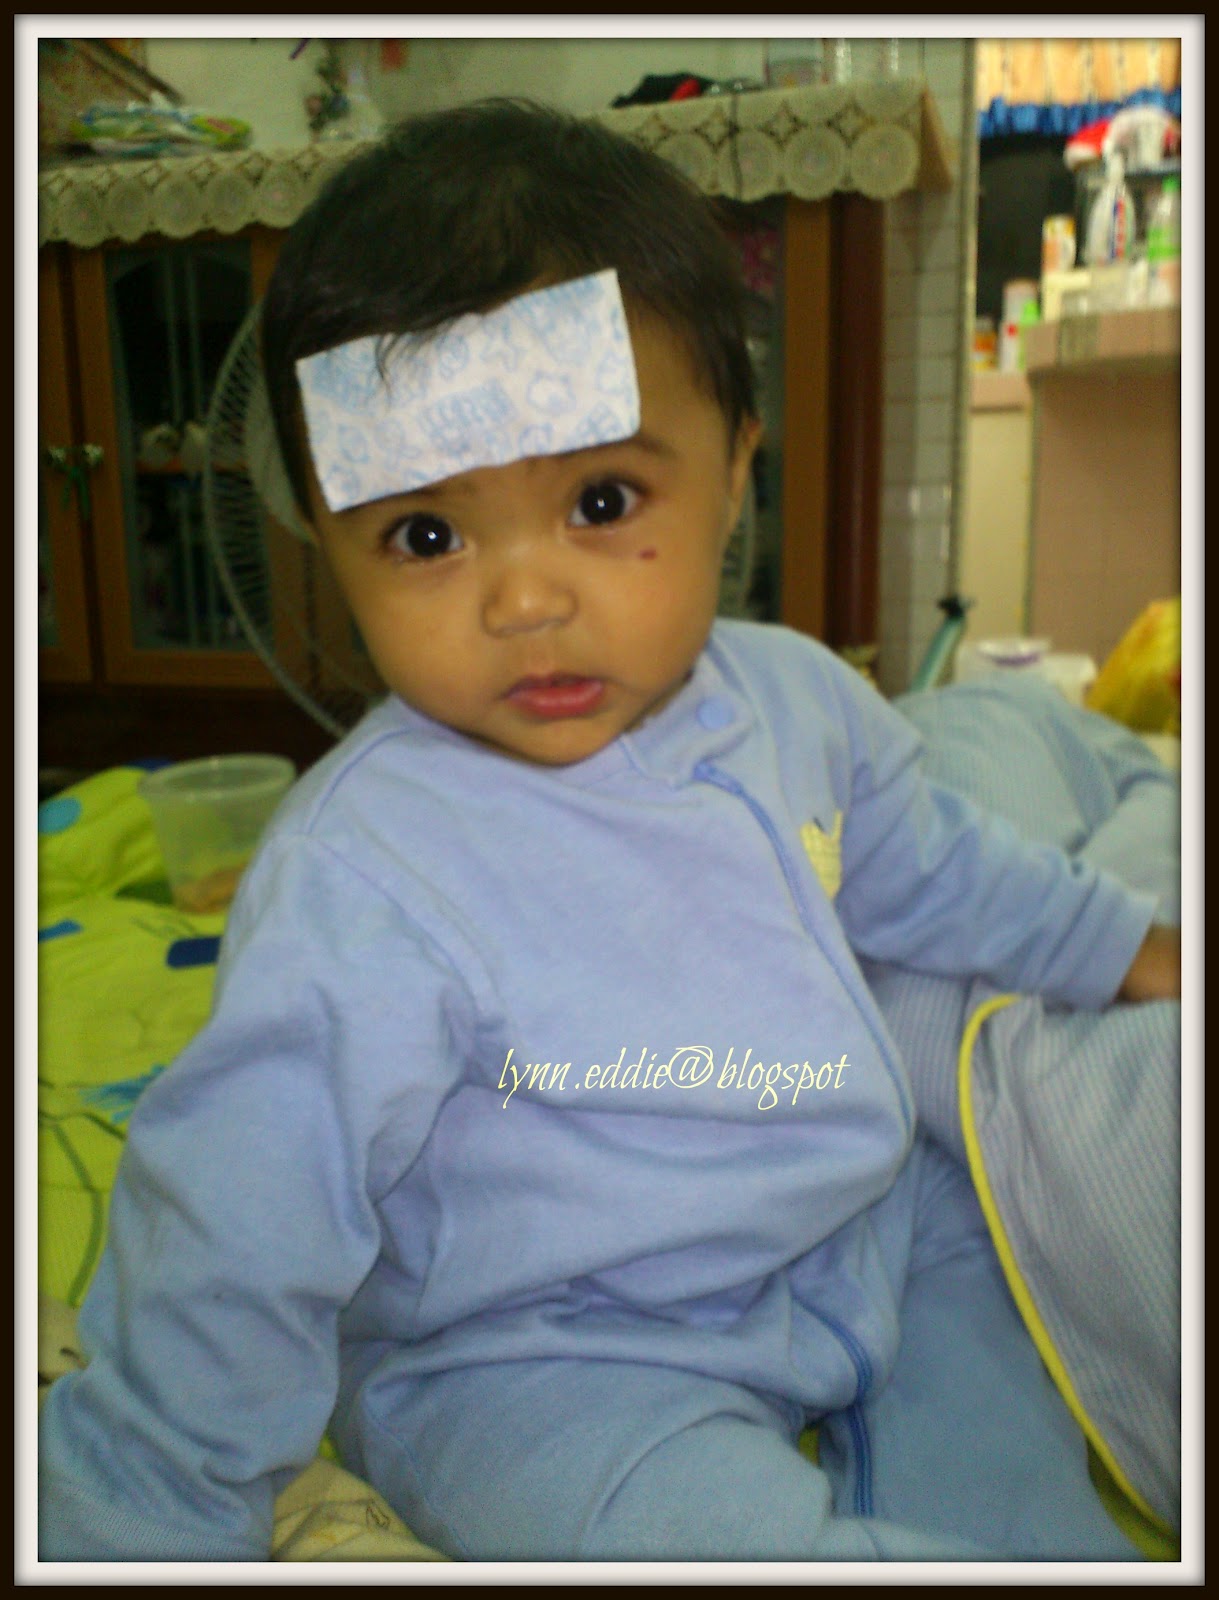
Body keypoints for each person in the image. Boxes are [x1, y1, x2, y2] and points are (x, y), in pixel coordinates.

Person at [38, 99, 1180, 1565]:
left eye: (600, 499)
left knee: (1017, 1442)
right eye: (426, 535)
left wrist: (1124, 947)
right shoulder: (366, 874)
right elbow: (234, 1222)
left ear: (735, 470)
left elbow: (939, 867)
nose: (525, 599)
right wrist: (142, 1509)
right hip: (540, 1357)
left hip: (851, 1242)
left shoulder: (795, 699)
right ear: (325, 538)